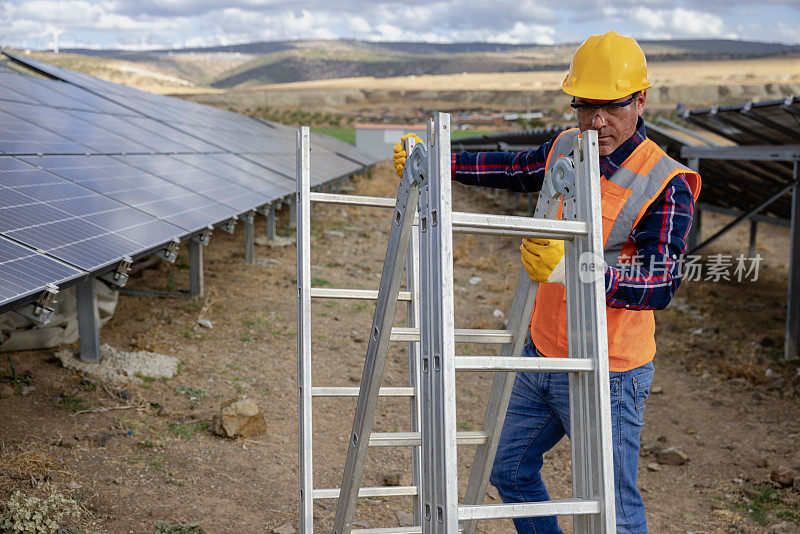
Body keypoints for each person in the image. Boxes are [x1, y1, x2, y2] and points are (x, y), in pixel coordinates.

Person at [392, 31, 701, 533]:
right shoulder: (566, 146)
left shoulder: (664, 181)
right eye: (585, 106)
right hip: (540, 352)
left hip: (609, 370)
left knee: (613, 509)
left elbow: (661, 279)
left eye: (612, 106)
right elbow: (513, 168)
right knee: (508, 471)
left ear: (640, 100)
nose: (596, 121)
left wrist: (574, 273)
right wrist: (435, 157)